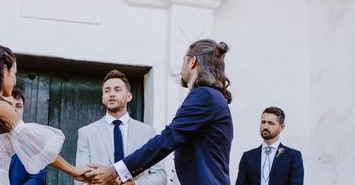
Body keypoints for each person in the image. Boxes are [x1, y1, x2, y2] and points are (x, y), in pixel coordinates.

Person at [85, 39, 234, 185]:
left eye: (184, 60)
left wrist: (114, 171)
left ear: (192, 61)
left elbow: (168, 138)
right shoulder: (210, 96)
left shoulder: (204, 95)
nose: (182, 67)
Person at [0, 44, 88, 185]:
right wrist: (73, 171)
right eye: (14, 73)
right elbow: (37, 147)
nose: (15, 80)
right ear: (4, 70)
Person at [75, 70, 166, 185]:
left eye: (117, 89)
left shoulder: (148, 132)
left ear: (129, 96)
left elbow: (160, 176)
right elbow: (80, 180)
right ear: (103, 98)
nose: (111, 94)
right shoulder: (86, 133)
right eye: (107, 91)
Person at [235, 107, 303, 185]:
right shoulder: (248, 156)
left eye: (271, 123)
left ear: (281, 127)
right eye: (263, 122)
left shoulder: (293, 156)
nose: (265, 126)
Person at [8, 89, 46, 185]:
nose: (14, 109)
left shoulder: (33, 139)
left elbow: (37, 178)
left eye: (19, 106)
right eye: (9, 105)